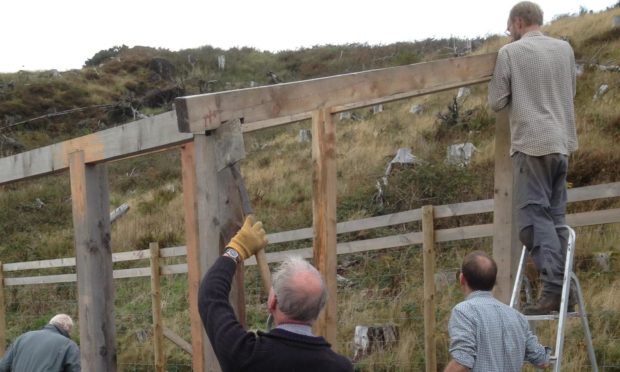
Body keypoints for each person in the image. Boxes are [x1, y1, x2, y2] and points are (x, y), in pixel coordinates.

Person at [488, 1, 578, 315]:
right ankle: (567, 292)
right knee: (555, 221)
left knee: (531, 223)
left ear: (519, 21)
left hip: (531, 146)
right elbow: (571, 91)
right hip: (561, 144)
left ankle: (554, 291)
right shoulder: (564, 49)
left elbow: (497, 101)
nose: (506, 31)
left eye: (509, 25)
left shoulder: (509, 53)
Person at [198, 215, 353, 372]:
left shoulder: (247, 356)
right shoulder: (341, 367)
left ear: (272, 301)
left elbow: (210, 296)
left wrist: (236, 250)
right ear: (318, 310)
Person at [445, 251, 550, 372]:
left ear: (462, 279)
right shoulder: (518, 317)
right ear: (494, 282)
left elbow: (462, 363)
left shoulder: (464, 312)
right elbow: (542, 360)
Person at [0, 314, 81, 372]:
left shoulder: (22, 338)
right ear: (68, 330)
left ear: (50, 323)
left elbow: (3, 367)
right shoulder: (69, 345)